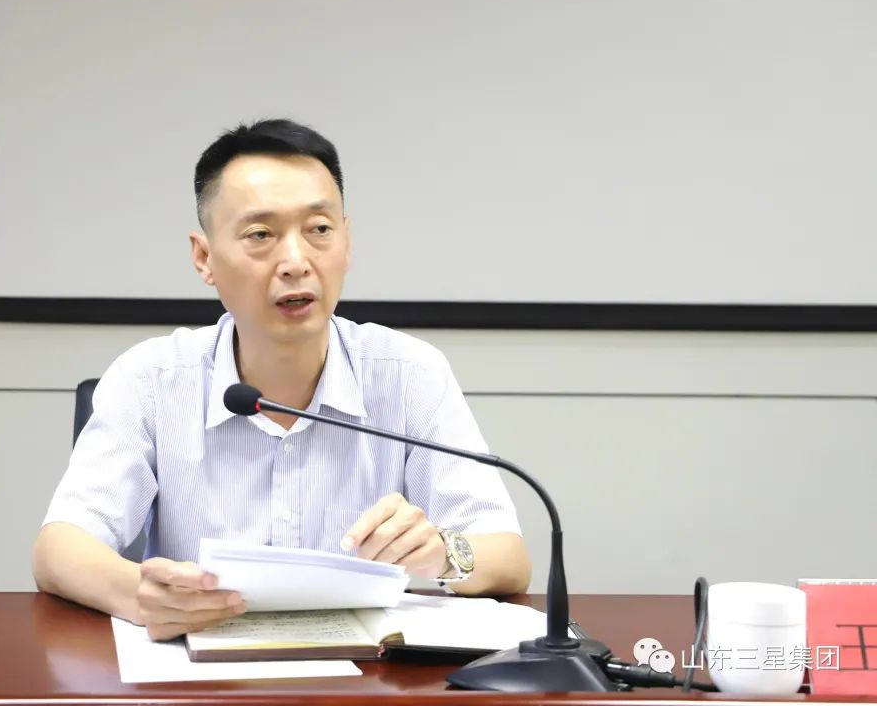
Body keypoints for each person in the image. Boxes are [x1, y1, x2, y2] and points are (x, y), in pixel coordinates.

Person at [33, 119, 531, 641]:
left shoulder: (409, 374)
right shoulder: (151, 380)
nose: (296, 262)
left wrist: (444, 553)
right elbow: (59, 548)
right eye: (260, 235)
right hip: (201, 672)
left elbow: (508, 557)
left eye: (319, 229)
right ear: (204, 257)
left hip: (365, 677)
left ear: (346, 241)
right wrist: (141, 595)